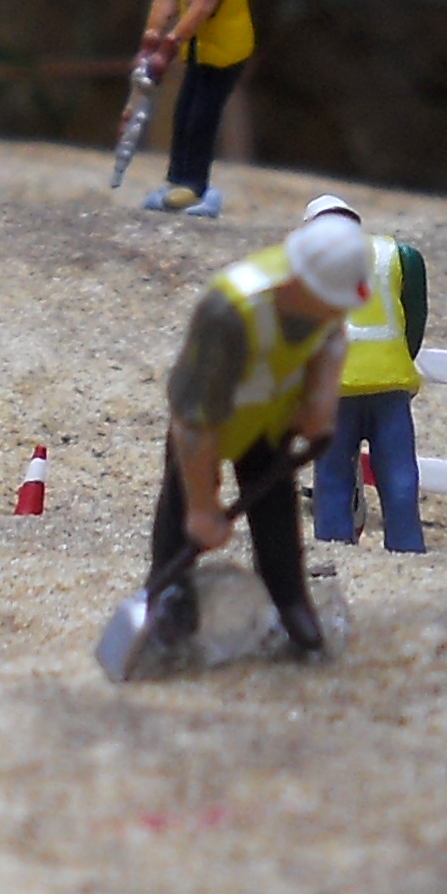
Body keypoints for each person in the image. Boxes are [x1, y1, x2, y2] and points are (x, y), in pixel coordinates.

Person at [147, 214, 372, 654]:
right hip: (208, 425)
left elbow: (331, 340)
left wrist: (319, 405)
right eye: (331, 301)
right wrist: (202, 507)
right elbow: (192, 422)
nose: (337, 310)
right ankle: (168, 602)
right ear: (302, 284)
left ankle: (290, 604)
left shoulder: (325, 301)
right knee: (179, 511)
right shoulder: (229, 312)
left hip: (269, 424)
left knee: (277, 519)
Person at [302, 193, 430, 554]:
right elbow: (415, 317)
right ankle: (406, 545)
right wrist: (399, 359)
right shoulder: (397, 255)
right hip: (390, 383)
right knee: (399, 473)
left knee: (332, 474)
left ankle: (334, 544)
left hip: (335, 388)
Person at [139, 0, 254, 217]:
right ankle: (177, 179)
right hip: (198, 50)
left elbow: (203, 6)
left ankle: (194, 184)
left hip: (225, 52)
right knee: (184, 111)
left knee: (202, 114)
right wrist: (151, 37)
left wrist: (169, 44)